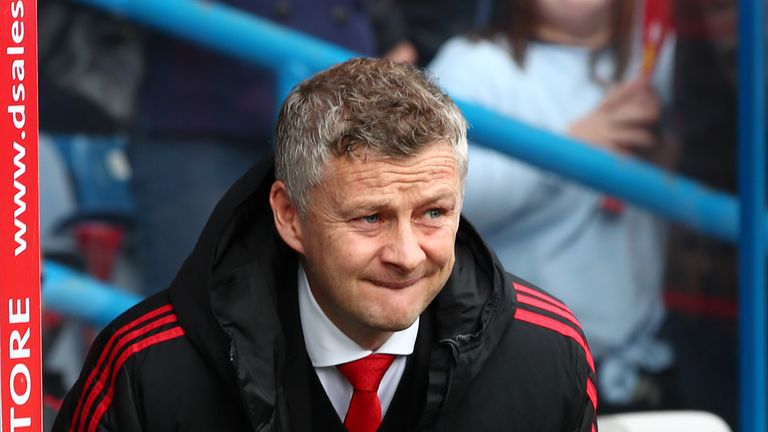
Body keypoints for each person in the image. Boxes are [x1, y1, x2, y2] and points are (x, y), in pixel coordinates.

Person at [53, 58, 597, 431]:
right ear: (290, 216)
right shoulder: (147, 369)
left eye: (434, 213)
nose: (407, 254)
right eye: (370, 218)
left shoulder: (547, 356)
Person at [428, 0, 676, 412]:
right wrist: (572, 152)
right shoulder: (473, 64)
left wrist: (672, 157)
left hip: (640, 362)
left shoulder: (654, 61)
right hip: (514, 364)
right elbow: (437, 199)